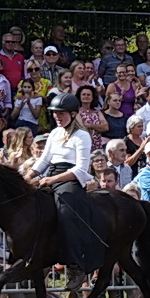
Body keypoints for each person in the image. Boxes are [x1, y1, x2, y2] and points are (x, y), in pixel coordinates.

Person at [22, 92, 105, 274]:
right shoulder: (54, 133)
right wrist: (28, 177)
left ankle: (76, 264)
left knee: (66, 212)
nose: (57, 117)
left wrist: (52, 180)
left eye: (61, 113)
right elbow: (44, 160)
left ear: (73, 114)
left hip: (70, 179)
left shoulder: (82, 135)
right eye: (55, 113)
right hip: (51, 172)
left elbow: (81, 169)